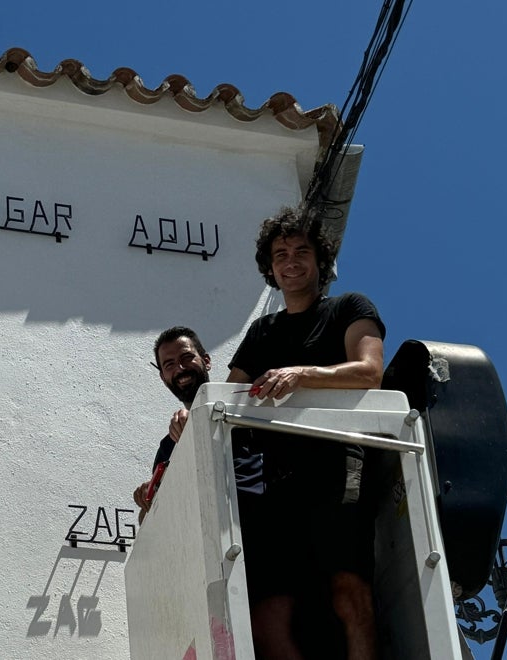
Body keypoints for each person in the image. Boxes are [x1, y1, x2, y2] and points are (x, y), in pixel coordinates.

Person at [222, 206, 385, 660]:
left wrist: (303, 373)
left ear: (320, 261)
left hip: (338, 466)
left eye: (300, 251)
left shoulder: (350, 307)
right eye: (280, 254)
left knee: (348, 590)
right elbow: (227, 396)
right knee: (268, 612)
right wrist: (186, 421)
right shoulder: (263, 331)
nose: (290, 261)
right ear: (270, 269)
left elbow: (371, 372)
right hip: (279, 483)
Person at [132, 326, 212, 523]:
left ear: (206, 361)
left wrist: (197, 418)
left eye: (186, 358)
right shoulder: (168, 446)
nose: (180, 369)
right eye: (169, 365)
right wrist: (149, 495)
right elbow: (149, 522)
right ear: (162, 377)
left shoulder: (240, 411)